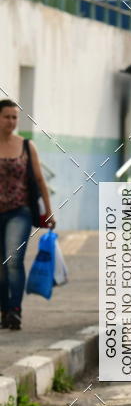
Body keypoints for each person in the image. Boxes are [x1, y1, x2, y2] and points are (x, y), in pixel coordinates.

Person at [0, 100, 55, 330]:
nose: (11, 121)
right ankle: (4, 310)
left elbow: (40, 180)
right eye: (7, 116)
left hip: (19, 211)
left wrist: (48, 211)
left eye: (15, 117)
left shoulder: (26, 146)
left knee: (13, 260)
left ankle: (15, 310)